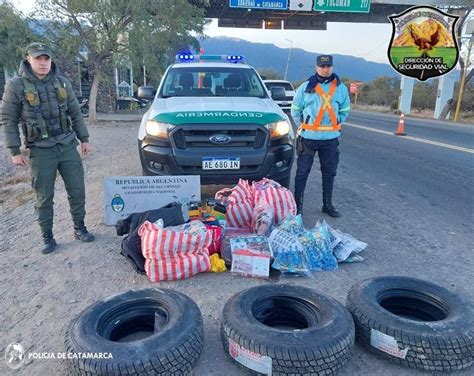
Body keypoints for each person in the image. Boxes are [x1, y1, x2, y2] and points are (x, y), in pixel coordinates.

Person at [1, 42, 94, 254]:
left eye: (46, 59)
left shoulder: (62, 82)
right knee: (44, 196)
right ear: (28, 59)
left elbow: (75, 112)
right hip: (40, 150)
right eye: (38, 59)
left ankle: (79, 228)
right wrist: (14, 151)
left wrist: (84, 138)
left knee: (77, 190)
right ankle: (47, 236)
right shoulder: (15, 86)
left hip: (67, 143)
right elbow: (8, 119)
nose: (43, 63)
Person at [291, 54, 350, 218]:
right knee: (302, 173)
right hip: (308, 138)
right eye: (322, 66)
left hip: (330, 139)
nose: (325, 69)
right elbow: (295, 110)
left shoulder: (340, 88)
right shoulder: (305, 87)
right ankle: (298, 206)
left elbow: (345, 110)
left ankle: (327, 205)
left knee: (329, 173)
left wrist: (336, 123)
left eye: (328, 66)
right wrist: (303, 127)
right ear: (316, 67)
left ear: (332, 67)